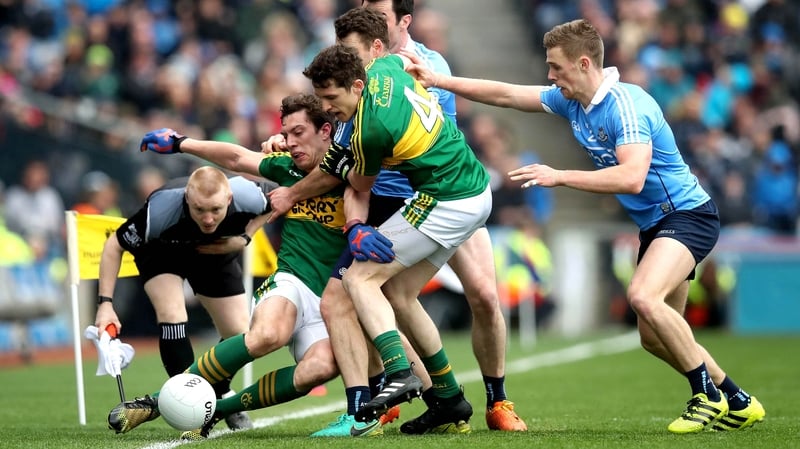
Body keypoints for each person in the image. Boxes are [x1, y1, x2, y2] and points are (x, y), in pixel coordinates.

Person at [405, 18, 766, 434]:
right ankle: (738, 398)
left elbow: (632, 177)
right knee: (656, 336)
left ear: (582, 64)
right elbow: (505, 94)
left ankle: (707, 396)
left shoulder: (627, 105)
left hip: (687, 216)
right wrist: (438, 80)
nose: (550, 76)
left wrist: (559, 175)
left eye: (556, 67)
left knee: (643, 296)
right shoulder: (572, 101)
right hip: (657, 224)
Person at [137, 93, 393, 439]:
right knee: (268, 335)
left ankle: (217, 411)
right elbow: (237, 157)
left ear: (326, 131)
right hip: (291, 279)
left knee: (318, 369)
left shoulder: (356, 169)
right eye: (285, 134)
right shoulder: (286, 166)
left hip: (335, 299)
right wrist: (182, 143)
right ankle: (161, 399)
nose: (289, 142)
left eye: (298, 132)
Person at [282, 38, 492, 434]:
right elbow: (401, 61)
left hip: (446, 199)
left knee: (358, 280)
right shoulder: (384, 67)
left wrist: (355, 223)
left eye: (330, 97)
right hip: (474, 190)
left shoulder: (368, 131)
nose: (326, 107)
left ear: (356, 87)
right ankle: (448, 400)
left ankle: (399, 371)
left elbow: (359, 181)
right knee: (397, 293)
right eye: (320, 97)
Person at [361, 0, 527, 432]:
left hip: (443, 194)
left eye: (379, 15)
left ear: (404, 21)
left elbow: (440, 139)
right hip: (386, 198)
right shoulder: (358, 63)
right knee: (380, 293)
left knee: (486, 297)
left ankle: (498, 401)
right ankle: (423, 396)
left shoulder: (431, 64)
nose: (370, 21)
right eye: (365, 11)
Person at [100, 166, 268, 434]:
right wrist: (105, 304)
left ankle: (221, 392)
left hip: (213, 252)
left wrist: (245, 237)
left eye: (215, 209)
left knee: (241, 333)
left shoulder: (250, 195)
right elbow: (114, 245)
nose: (209, 218)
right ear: (187, 198)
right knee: (172, 313)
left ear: (229, 198)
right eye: (200, 209)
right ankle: (188, 405)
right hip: (163, 253)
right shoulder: (160, 211)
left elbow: (283, 201)